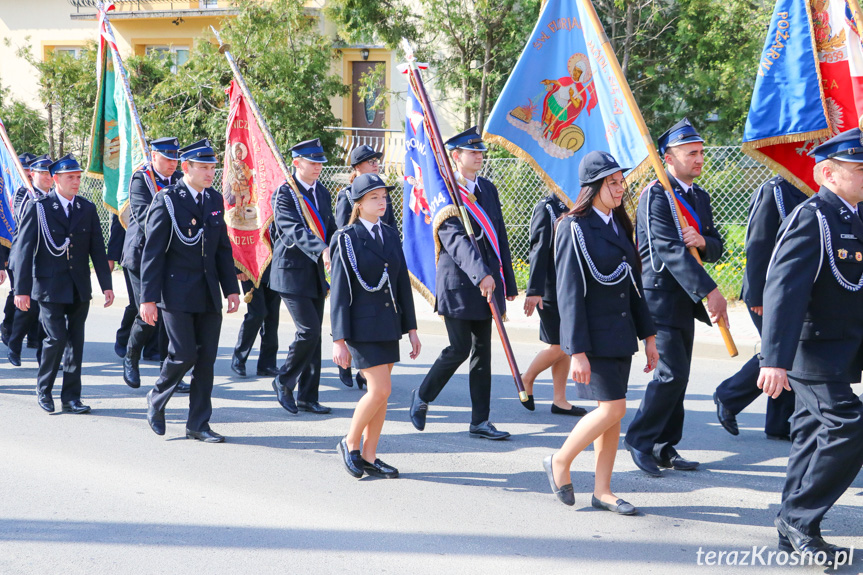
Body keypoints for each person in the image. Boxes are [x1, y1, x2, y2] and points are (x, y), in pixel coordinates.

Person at [758, 129, 863, 561]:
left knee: (808, 434)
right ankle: (799, 518)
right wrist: (774, 360)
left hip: (841, 349)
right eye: (858, 170)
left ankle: (793, 527)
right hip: (811, 350)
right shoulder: (813, 216)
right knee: (848, 426)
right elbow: (784, 289)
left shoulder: (853, 217)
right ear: (828, 174)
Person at [544, 151, 658, 513]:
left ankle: (603, 490)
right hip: (593, 336)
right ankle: (560, 460)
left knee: (612, 415)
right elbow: (569, 292)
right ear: (593, 188)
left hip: (620, 332)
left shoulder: (618, 224)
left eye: (621, 181)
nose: (619, 188)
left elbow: (634, 285)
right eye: (612, 182)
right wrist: (575, 350)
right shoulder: (573, 227)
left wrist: (649, 336)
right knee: (613, 409)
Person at [625, 118, 729, 476]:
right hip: (659, 296)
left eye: (701, 152)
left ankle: (664, 444)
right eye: (691, 153)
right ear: (668, 157)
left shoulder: (699, 196)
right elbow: (668, 250)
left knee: (680, 375)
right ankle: (640, 440)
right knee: (670, 374)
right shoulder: (656, 193)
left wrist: (703, 242)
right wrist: (710, 291)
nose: (699, 159)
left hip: (685, 299)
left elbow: (717, 245)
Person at [409, 126, 518, 440]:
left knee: (482, 351)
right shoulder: (446, 191)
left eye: (480, 151)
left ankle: (480, 421)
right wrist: (480, 273)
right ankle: (423, 395)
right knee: (459, 347)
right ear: (455, 157)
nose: (479, 156)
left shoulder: (488, 189)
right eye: (472, 151)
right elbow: (454, 239)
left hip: (487, 282)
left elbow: (499, 237)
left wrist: (507, 281)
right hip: (459, 282)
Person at [140, 139, 240, 442]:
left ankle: (198, 423)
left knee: (206, 360)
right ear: (187, 167)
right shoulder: (167, 200)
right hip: (176, 292)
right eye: (205, 167)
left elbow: (222, 249)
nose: (211, 173)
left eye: (213, 167)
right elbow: (153, 252)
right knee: (183, 354)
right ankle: (157, 398)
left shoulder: (212, 199)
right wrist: (148, 297)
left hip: (208, 292)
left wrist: (231, 289)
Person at [331, 173, 421, 478]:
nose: (382, 202)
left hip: (386, 324)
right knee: (381, 388)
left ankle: (369, 455)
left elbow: (401, 284)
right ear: (358, 203)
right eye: (374, 198)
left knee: (381, 394)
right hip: (360, 326)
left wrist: (411, 328)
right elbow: (340, 292)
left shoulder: (390, 234)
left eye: (384, 197)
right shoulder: (346, 237)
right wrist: (338, 339)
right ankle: (349, 442)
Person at [13, 154, 114, 414]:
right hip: (49, 287)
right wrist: (21, 290)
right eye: (70, 177)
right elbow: (24, 251)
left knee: (75, 343)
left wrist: (107, 285)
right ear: (55, 179)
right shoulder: (40, 208)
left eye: (78, 177)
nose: (76, 182)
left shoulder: (87, 208)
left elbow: (97, 250)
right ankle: (44, 389)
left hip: (78, 286)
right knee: (55, 338)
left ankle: (71, 397)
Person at [713, 175, 805, 440]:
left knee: (787, 352)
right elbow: (757, 247)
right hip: (767, 293)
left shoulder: (809, 187)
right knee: (782, 349)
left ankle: (779, 423)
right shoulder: (774, 190)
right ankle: (728, 395)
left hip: (794, 292)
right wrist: (758, 297)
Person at [269, 138, 337, 415]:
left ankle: (308, 395)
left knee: (314, 336)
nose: (318, 167)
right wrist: (321, 249)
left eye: (320, 162)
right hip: (291, 273)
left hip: (316, 273)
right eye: (313, 162)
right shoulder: (285, 193)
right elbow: (292, 229)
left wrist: (338, 246)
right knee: (307, 330)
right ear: (297, 162)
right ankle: (284, 380)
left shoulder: (321, 191)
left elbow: (330, 226)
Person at [122, 137, 189, 393]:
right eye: (167, 158)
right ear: (153, 156)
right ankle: (131, 355)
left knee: (169, 315)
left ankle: (169, 371)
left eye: (175, 158)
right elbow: (142, 216)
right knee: (147, 312)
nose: (173, 163)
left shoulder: (180, 179)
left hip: (171, 256)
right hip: (142, 256)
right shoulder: (142, 179)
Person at [333, 144, 396, 390]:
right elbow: (342, 229)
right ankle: (347, 365)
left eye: (376, 160)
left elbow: (388, 225)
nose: (375, 164)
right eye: (370, 161)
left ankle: (366, 373)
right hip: (357, 263)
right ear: (357, 167)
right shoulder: (348, 195)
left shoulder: (379, 193)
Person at [522, 191, 588, 416]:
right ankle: (526, 378)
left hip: (571, 286)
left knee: (564, 347)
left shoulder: (579, 204)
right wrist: (534, 290)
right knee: (561, 345)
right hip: (551, 288)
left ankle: (560, 400)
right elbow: (538, 249)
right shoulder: (547, 207)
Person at [5, 153, 49, 366]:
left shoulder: (56, 196)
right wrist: (38, 199)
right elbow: (21, 217)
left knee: (48, 310)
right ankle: (14, 344)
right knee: (28, 307)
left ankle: (44, 354)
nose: (49, 177)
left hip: (49, 262)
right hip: (26, 260)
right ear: (33, 175)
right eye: (44, 173)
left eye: (51, 173)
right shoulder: (24, 194)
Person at [1, 152, 36, 347]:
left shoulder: (38, 192)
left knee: (35, 293)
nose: (28, 172)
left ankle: (34, 335)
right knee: (19, 290)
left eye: (31, 168)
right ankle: (8, 325)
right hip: (12, 252)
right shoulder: (8, 191)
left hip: (35, 252)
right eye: (24, 168)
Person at [229, 264, 280, 378]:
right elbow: (236, 245)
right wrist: (239, 267)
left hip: (275, 266)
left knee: (272, 316)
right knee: (257, 313)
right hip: (251, 265)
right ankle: (239, 357)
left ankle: (267, 364)